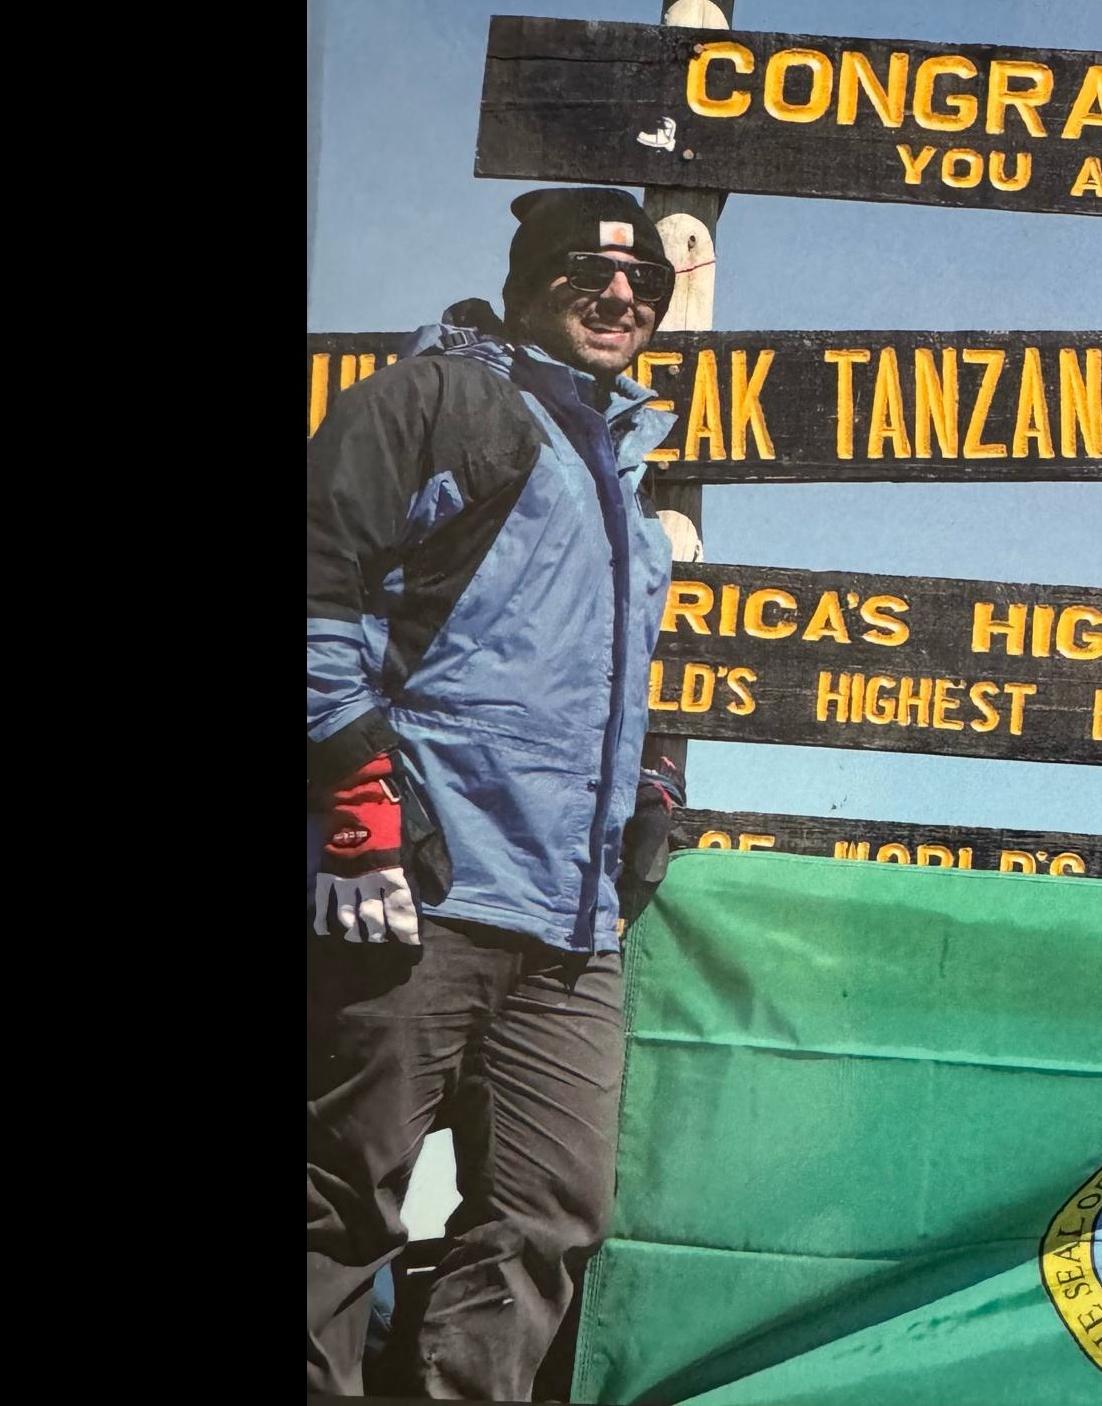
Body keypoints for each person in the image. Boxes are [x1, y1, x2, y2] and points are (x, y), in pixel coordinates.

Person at [306, 185, 693, 1398]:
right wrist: (357, 802)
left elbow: (581, 674)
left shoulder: (621, 474)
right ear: (529, 281)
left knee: (547, 1217)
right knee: (336, 1200)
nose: (621, 294)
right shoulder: (437, 402)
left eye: (646, 284)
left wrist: (650, 791)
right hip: (419, 890)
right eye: (590, 270)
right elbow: (318, 590)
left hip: (570, 930)